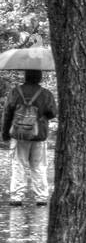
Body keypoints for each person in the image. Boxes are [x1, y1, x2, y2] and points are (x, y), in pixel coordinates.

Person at [2, 68, 57, 206]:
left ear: (25, 76)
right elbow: (53, 113)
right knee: (38, 166)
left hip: (18, 135)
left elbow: (7, 113)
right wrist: (41, 116)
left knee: (18, 165)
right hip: (39, 135)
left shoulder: (15, 92)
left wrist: (5, 134)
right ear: (40, 77)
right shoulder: (46, 94)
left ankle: (16, 197)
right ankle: (41, 197)